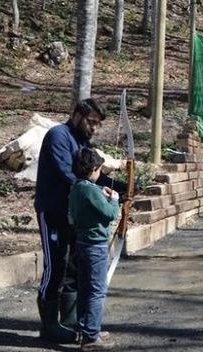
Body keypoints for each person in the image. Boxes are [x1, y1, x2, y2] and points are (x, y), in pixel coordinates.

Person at [34, 98, 127, 343]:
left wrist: (122, 188)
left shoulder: (83, 142)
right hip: (53, 212)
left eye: (97, 124)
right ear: (77, 114)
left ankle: (72, 321)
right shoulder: (58, 136)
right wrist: (100, 195)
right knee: (55, 267)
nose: (94, 127)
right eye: (91, 121)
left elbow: (91, 176)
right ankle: (49, 325)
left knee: (74, 270)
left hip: (75, 217)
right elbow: (70, 174)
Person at [69, 148, 120, 350]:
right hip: (95, 246)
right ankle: (91, 337)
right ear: (94, 169)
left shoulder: (78, 187)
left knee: (85, 288)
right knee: (97, 291)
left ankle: (86, 328)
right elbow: (109, 214)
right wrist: (114, 199)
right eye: (99, 169)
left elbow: (88, 202)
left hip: (81, 243)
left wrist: (102, 193)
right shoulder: (90, 190)